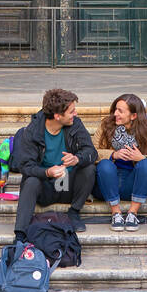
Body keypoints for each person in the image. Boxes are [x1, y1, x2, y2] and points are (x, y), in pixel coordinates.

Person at [10, 88, 97, 241]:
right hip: (47, 186)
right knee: (30, 181)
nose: (75, 114)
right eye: (71, 111)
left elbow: (91, 151)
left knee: (89, 168)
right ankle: (20, 234)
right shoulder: (32, 131)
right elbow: (26, 166)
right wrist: (47, 172)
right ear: (57, 116)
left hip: (69, 185)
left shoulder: (75, 124)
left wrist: (77, 158)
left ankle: (74, 212)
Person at [94, 93, 147, 230]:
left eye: (120, 111)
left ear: (133, 116)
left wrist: (141, 157)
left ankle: (133, 213)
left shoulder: (146, 130)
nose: (115, 114)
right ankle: (116, 213)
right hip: (106, 184)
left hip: (132, 185)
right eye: (115, 109)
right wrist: (114, 154)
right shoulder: (105, 125)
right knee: (105, 164)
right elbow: (92, 153)